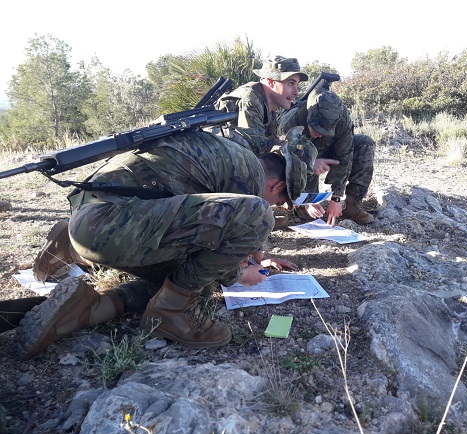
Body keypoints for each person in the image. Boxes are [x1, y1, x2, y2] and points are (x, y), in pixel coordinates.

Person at [14, 126, 317, 358]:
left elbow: (202, 229)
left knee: (184, 275)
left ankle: (87, 306)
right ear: (277, 185)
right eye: (280, 201)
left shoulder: (233, 157)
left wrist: (259, 257)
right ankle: (171, 313)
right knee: (204, 273)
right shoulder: (248, 180)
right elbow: (244, 226)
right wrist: (239, 274)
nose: (276, 206)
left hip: (92, 215)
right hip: (109, 226)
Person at [278, 84, 376, 225]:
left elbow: (345, 157)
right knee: (309, 216)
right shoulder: (292, 120)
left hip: (328, 151)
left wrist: (336, 197)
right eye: (316, 129)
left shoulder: (342, 118)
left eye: (325, 131)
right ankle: (297, 204)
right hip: (302, 160)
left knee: (365, 143)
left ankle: (352, 204)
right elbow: (285, 162)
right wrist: (305, 200)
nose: (319, 135)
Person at [215, 55, 308, 156]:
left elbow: (271, 139)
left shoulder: (269, 105)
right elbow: (256, 148)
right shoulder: (250, 100)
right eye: (290, 83)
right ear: (271, 82)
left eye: (296, 85)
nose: (296, 92)